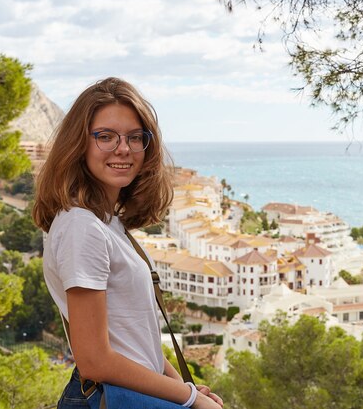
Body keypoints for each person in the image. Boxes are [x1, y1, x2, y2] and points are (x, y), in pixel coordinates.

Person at [32, 77, 223, 409]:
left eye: (135, 137)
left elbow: (135, 338)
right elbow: (94, 360)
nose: (123, 148)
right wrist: (190, 398)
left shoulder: (107, 222)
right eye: (105, 136)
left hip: (135, 393)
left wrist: (182, 389)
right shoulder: (82, 226)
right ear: (79, 144)